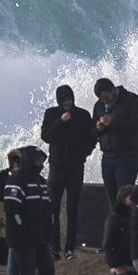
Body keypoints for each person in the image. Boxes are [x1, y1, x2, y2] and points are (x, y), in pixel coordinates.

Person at [0, 146, 54, 275]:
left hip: (40, 237)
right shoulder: (17, 180)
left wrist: (48, 230)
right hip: (22, 238)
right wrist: (23, 228)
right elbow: (11, 208)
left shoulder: (41, 181)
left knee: (48, 270)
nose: (41, 164)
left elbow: (46, 208)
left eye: (43, 160)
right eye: (37, 160)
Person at [40, 85, 97, 260]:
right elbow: (46, 136)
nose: (67, 103)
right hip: (57, 168)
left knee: (72, 210)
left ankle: (70, 249)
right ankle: (54, 248)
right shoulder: (51, 114)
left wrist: (83, 155)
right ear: (59, 100)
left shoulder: (82, 115)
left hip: (75, 169)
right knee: (52, 210)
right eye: (64, 100)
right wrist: (60, 121)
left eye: (70, 99)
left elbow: (92, 138)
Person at [91, 78, 138, 209]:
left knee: (125, 200)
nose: (105, 101)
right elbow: (93, 130)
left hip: (127, 156)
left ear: (113, 89)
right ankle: (115, 227)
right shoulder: (98, 106)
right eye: (101, 99)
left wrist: (113, 123)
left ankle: (128, 228)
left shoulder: (131, 100)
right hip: (107, 157)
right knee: (112, 201)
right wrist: (98, 129)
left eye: (106, 97)